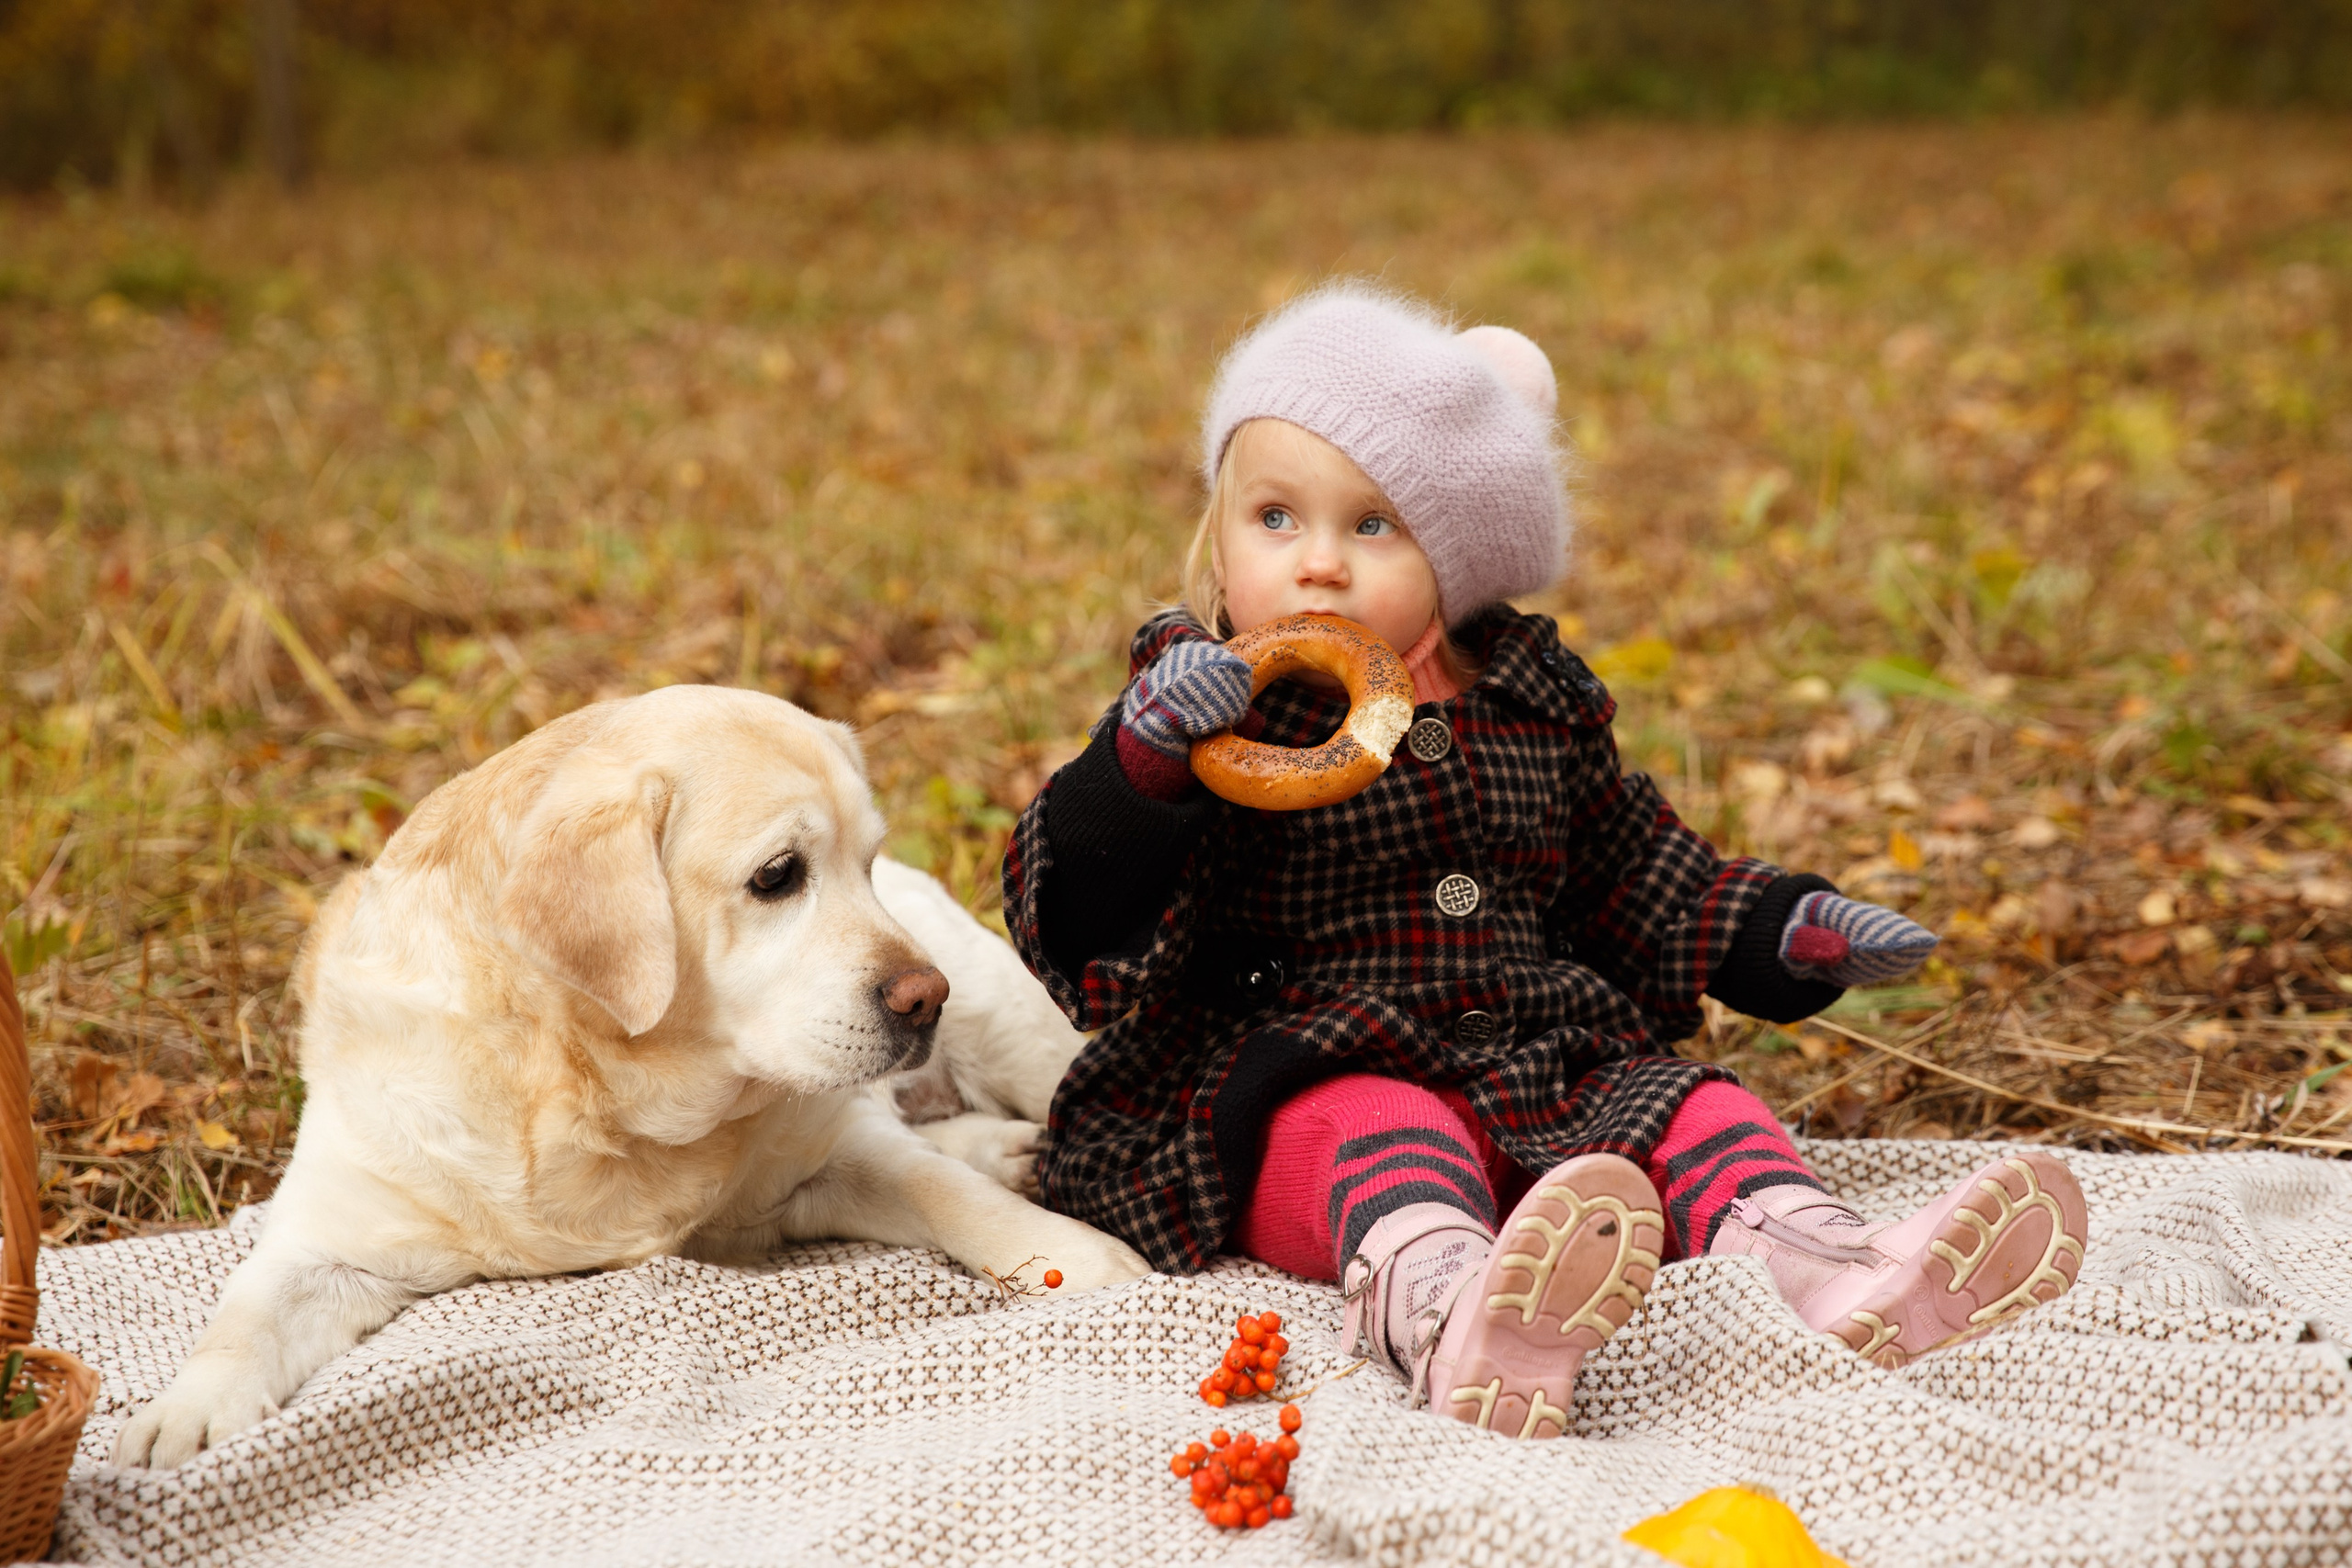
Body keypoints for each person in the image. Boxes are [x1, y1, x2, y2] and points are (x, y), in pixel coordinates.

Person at [1001, 285, 2088, 1439]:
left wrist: (1786, 929)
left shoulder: (1533, 706)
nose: (1315, 564)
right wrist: (1140, 767)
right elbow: (1063, 894)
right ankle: (1445, 1305)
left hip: (1530, 1058)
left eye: (1371, 526)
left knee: (1690, 1104)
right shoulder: (1207, 712)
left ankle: (1826, 1264)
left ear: (1456, 564)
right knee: (1379, 1129)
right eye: (1275, 517)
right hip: (1287, 1076)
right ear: (1219, 533)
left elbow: (1637, 870)